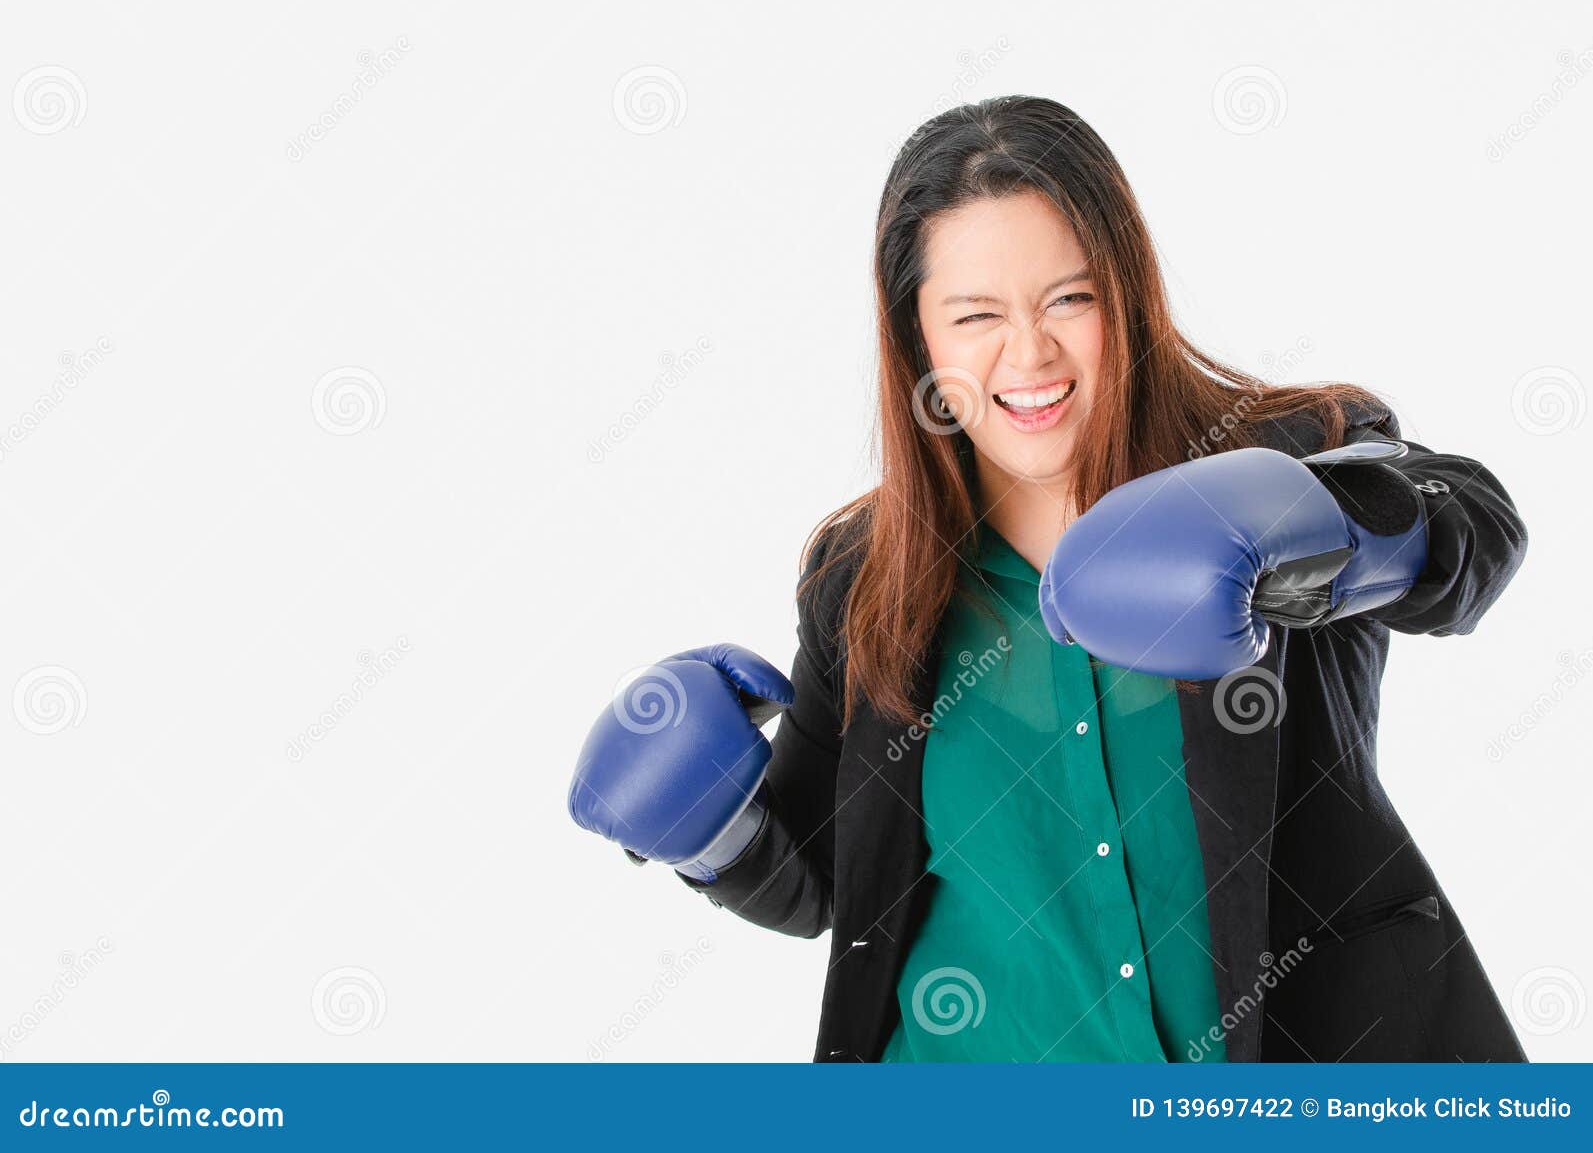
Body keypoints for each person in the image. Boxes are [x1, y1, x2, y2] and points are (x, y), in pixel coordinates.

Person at [569, 95, 1529, 1063]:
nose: (1028, 354)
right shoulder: (864, 573)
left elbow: (1474, 528)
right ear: (918, 340)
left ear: (1128, 294)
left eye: (1070, 299)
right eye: (975, 314)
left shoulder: (1283, 459)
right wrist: (710, 834)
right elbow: (832, 879)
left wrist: (1329, 532)